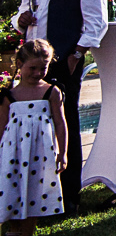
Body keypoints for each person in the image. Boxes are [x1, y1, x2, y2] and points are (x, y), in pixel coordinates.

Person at [12, 0, 107, 214]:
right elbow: (21, 13)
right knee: (33, 125)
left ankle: (69, 195)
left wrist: (76, 54)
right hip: (34, 61)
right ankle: (35, 190)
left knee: (66, 125)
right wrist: (21, 20)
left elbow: (96, 23)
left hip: (64, 61)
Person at [0, 40, 67, 231]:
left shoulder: (51, 92)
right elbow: (1, 126)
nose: (38, 73)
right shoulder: (8, 96)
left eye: (43, 68)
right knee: (12, 190)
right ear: (20, 64)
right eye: (33, 68)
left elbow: (61, 124)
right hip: (12, 155)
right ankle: (13, 229)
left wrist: (63, 153)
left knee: (34, 194)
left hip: (40, 155)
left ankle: (27, 232)